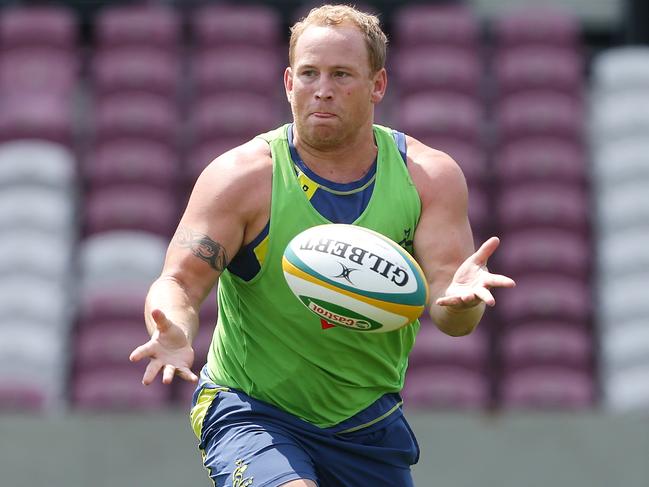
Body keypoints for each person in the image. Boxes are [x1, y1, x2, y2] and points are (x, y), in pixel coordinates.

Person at [130, 4, 515, 486]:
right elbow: (180, 283)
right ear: (289, 82)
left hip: (366, 423)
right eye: (309, 73)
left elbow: (452, 314)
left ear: (378, 85)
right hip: (251, 409)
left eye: (341, 74)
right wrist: (176, 332)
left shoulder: (430, 178)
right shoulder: (242, 178)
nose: (323, 89)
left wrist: (460, 303)